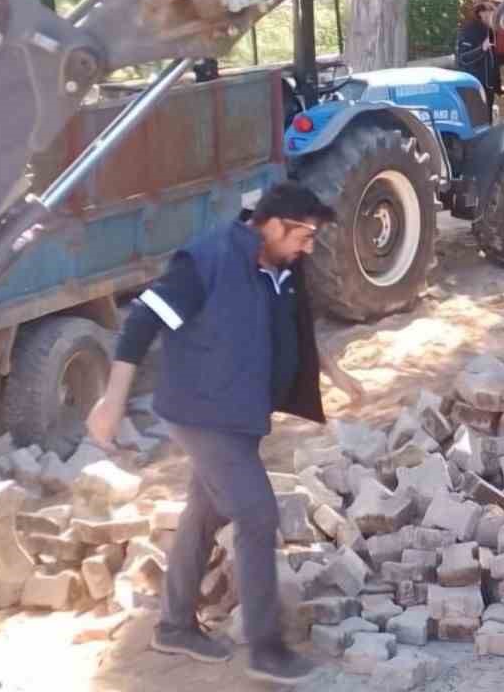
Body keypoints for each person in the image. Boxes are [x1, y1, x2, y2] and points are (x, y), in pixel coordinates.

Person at [87, 183, 359, 685]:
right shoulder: (206, 261)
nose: (310, 245)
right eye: (306, 234)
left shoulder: (282, 266)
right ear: (274, 225)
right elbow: (142, 322)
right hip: (203, 414)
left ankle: (173, 627)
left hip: (242, 412)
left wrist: (335, 373)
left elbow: (294, 329)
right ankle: (266, 649)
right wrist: (112, 400)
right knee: (257, 514)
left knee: (203, 513)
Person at [456, 2, 503, 119]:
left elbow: (492, 58)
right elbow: (463, 58)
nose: (494, 14)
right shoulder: (469, 31)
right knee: (477, 121)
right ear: (481, 13)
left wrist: (497, 85)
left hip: (488, 87)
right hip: (474, 86)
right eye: (491, 11)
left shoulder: (490, 30)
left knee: (487, 121)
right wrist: (482, 48)